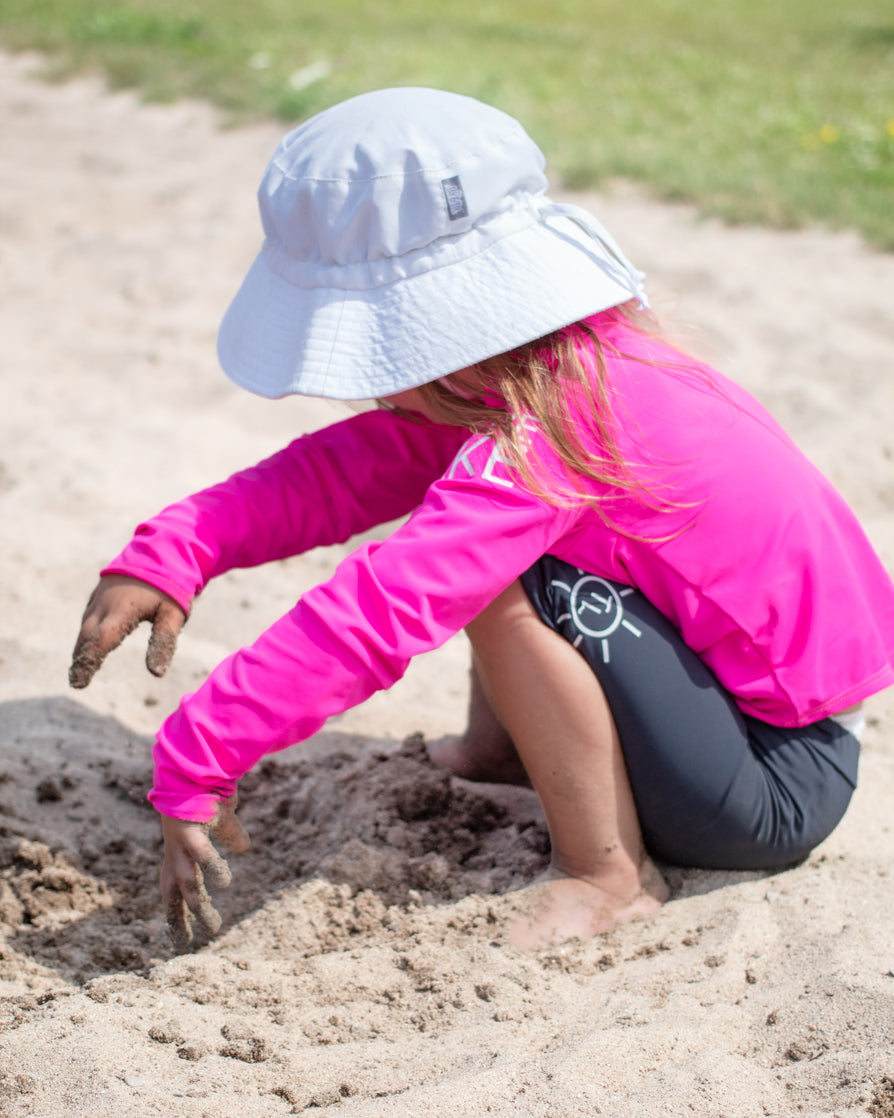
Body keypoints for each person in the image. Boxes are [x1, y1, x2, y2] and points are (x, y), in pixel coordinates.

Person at [69, 88, 894, 951]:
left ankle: (605, 874)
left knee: (489, 573)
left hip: (773, 784)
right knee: (496, 554)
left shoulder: (555, 438)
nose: (372, 384)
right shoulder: (560, 369)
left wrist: (199, 751)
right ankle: (503, 755)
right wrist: (177, 550)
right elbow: (339, 474)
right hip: (765, 726)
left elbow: (379, 612)